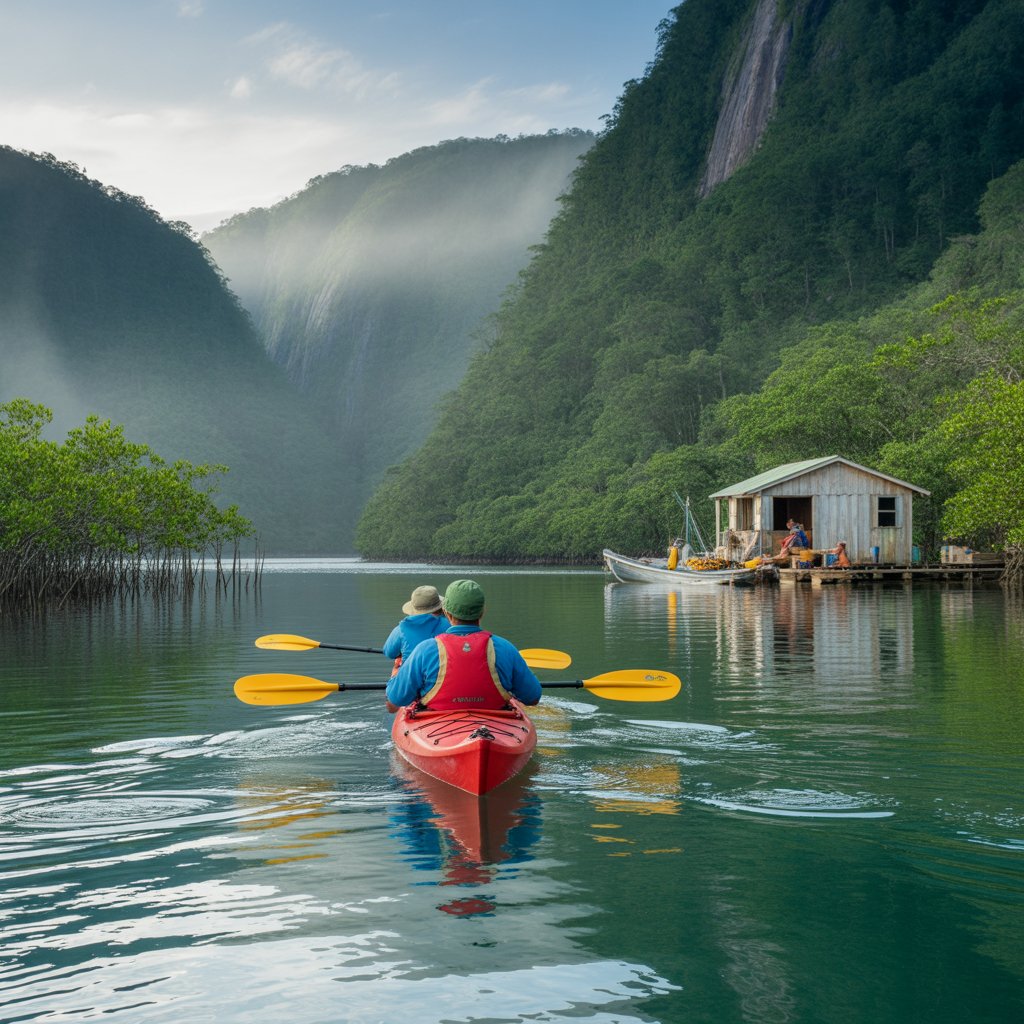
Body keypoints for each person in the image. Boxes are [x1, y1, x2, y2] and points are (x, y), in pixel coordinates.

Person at [385, 579, 542, 714]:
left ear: (447, 613)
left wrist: (395, 674)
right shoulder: (505, 648)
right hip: (495, 726)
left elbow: (394, 702)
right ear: (482, 612)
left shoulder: (425, 650)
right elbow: (533, 698)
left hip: (436, 727)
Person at [382, 585, 448, 674]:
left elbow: (389, 653)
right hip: (443, 678)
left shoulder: (401, 628)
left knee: (397, 666)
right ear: (440, 607)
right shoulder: (450, 625)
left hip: (411, 680)